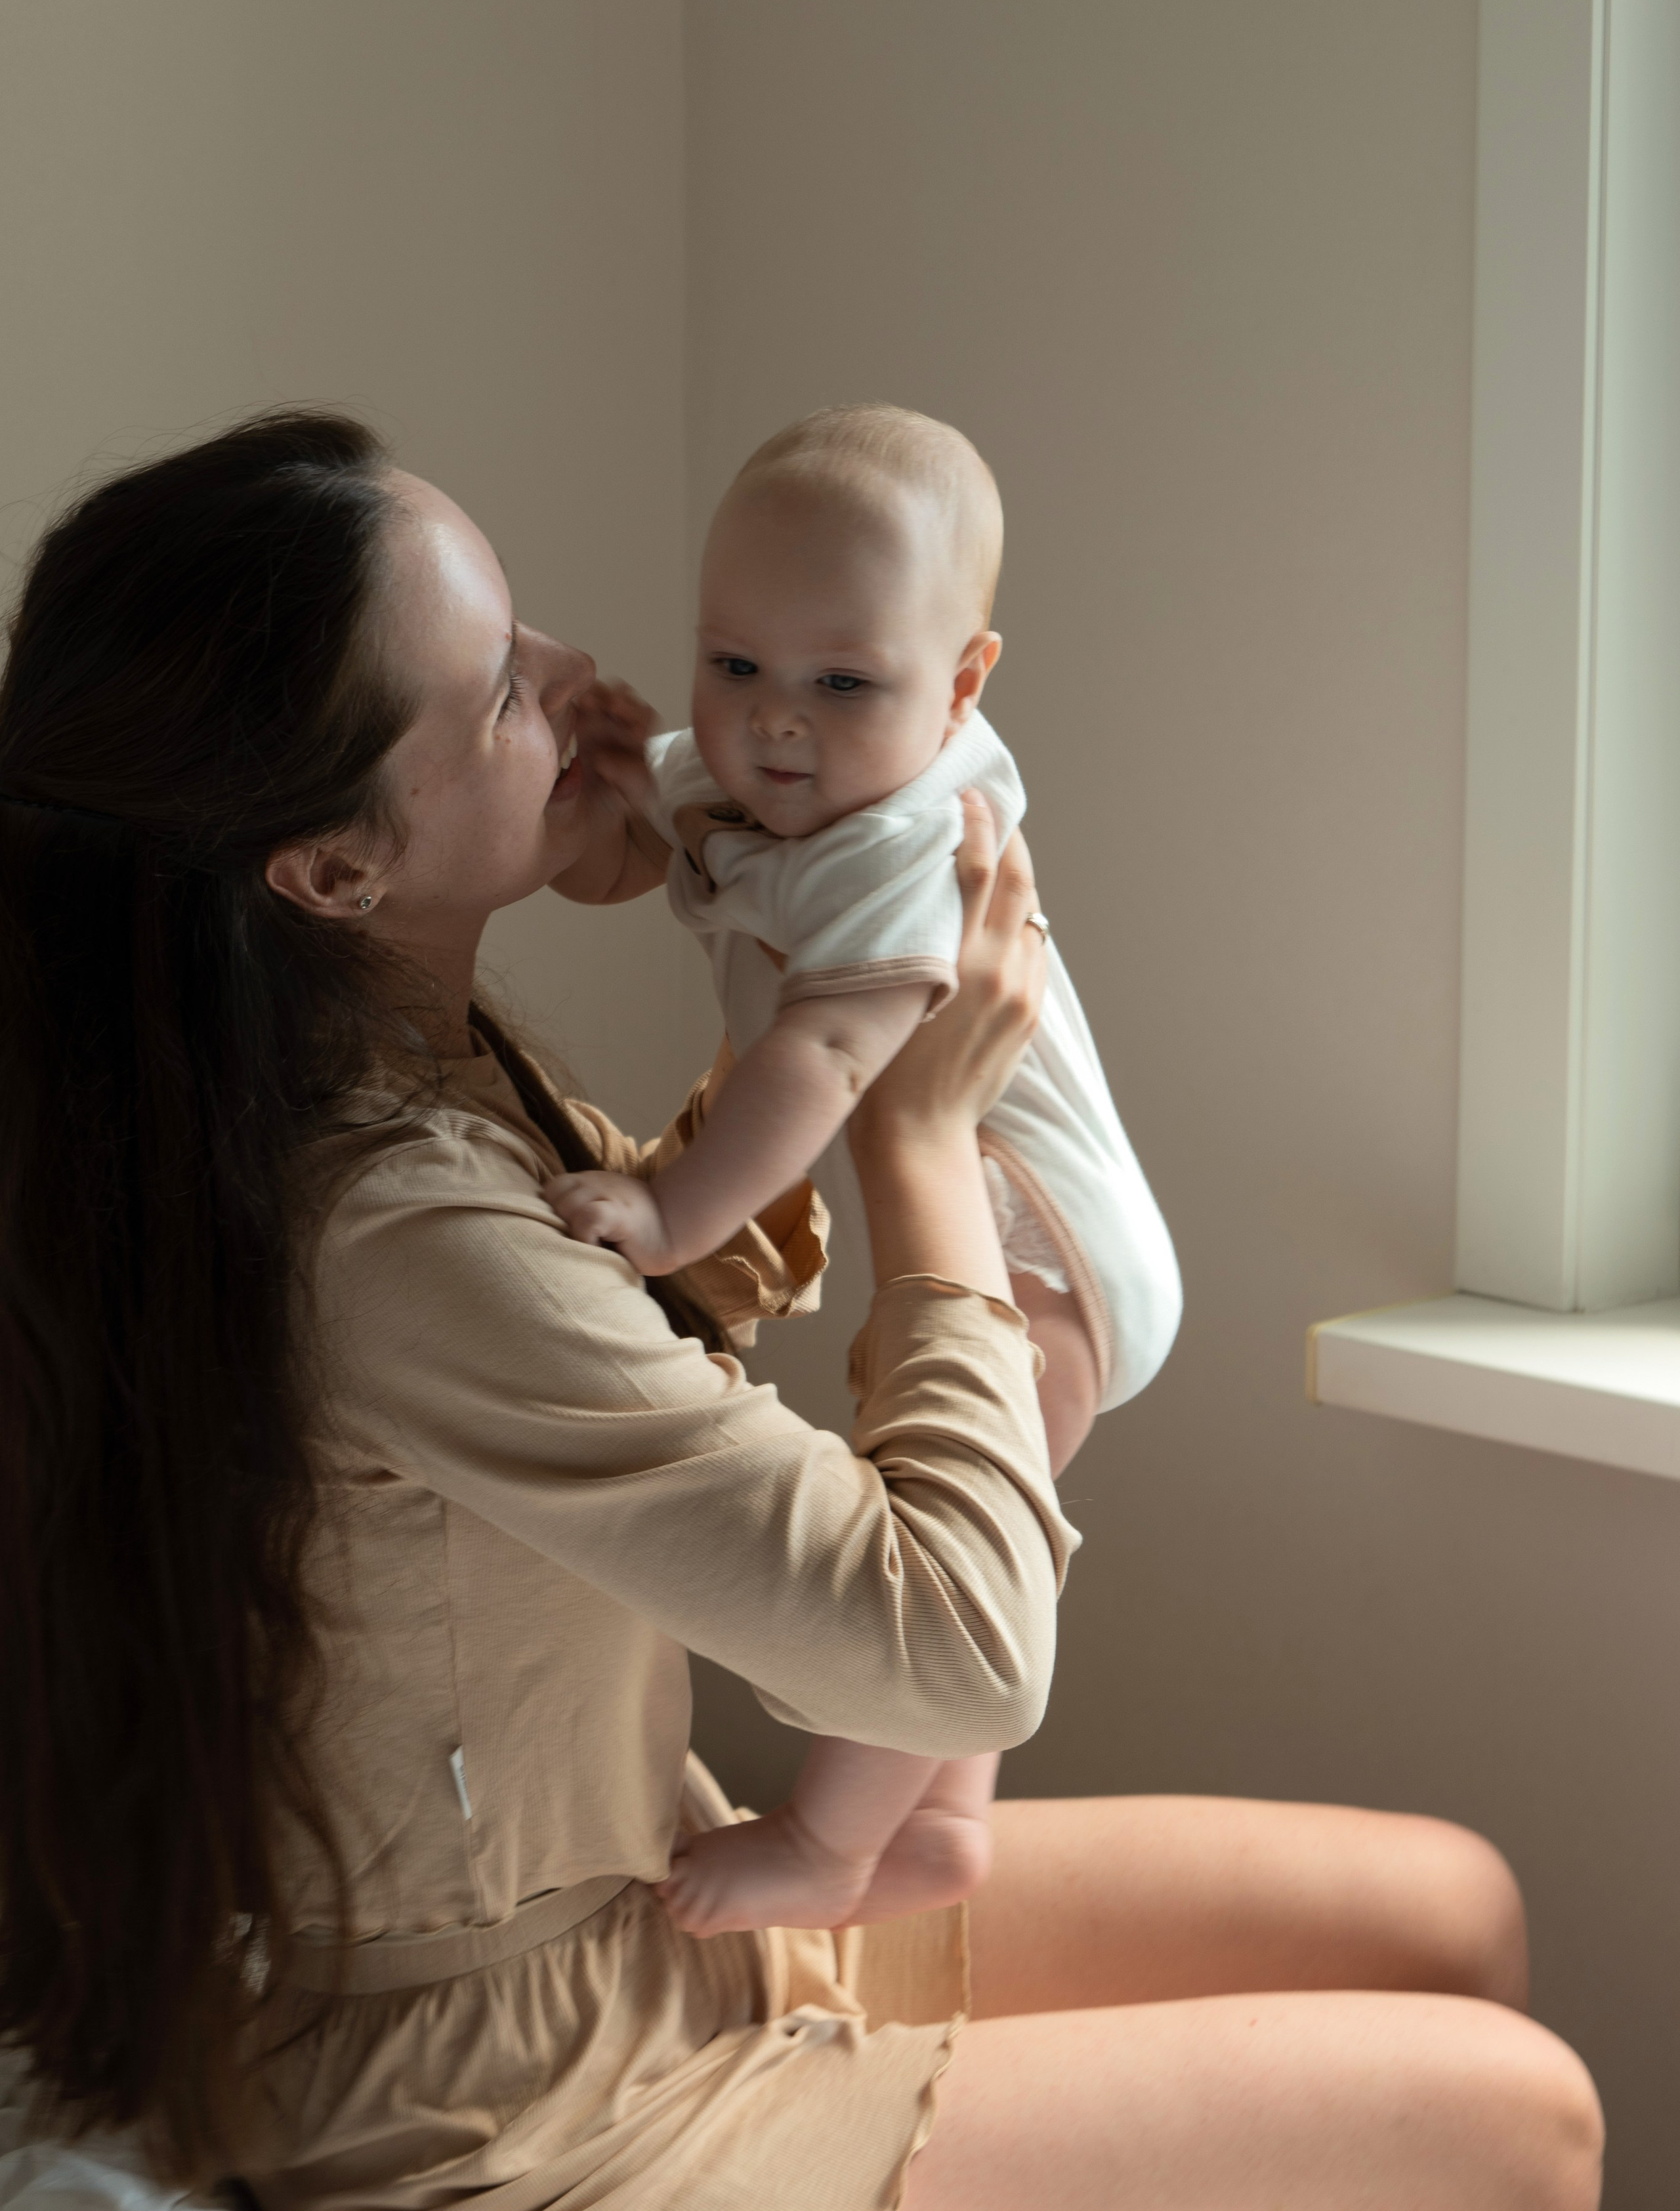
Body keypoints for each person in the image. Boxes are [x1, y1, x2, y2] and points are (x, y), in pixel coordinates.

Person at [0, 413, 1602, 2211]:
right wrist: (920, 1143)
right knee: (1520, 2113)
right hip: (514, 2091)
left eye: (529, 628)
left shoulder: (383, 1053)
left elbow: (666, 1289)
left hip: (645, 1909)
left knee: (1451, 1911)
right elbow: (965, 1650)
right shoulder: (386, 1226)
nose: (584, 682)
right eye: (506, 696)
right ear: (333, 870)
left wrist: (763, 957)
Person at [547, 404, 1181, 1941]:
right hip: (988, 1230)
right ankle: (944, 1818)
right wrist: (600, 796)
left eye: (842, 682)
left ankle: (832, 1844)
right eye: (734, 664)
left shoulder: (906, 839)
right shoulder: (767, 774)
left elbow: (825, 1062)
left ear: (960, 682)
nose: (773, 723)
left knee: (936, 1561)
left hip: (1043, 1260)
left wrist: (669, 1212)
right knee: (981, 1532)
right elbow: (655, 860)